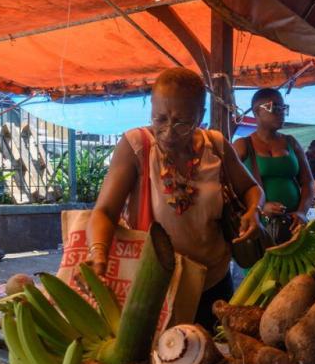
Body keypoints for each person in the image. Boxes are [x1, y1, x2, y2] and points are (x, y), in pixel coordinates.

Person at [87, 68, 264, 330]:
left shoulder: (215, 145)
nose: (168, 132)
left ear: (200, 116)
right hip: (157, 287)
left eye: (181, 122)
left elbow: (252, 188)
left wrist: (254, 211)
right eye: (160, 118)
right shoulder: (136, 146)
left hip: (213, 282)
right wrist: (98, 255)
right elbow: (104, 211)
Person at [233, 88, 315, 245]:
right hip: (259, 226)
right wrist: (260, 208)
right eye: (274, 107)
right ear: (257, 112)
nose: (281, 112)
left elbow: (308, 182)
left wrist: (302, 212)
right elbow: (230, 188)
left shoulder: (291, 143)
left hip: (293, 226)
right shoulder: (243, 146)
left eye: (283, 108)